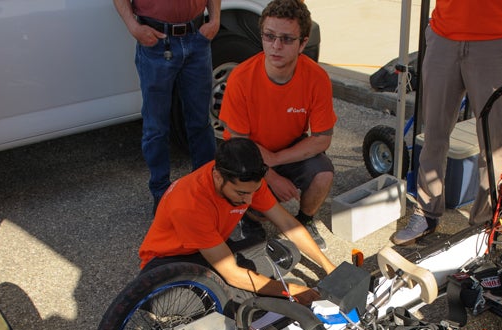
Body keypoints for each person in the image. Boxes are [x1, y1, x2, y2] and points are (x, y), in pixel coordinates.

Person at [393, 0, 502, 245]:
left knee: (493, 143)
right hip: (445, 35)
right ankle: (426, 212)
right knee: (434, 133)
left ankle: (484, 225)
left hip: (496, 39)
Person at [139, 138, 335, 303]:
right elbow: (232, 273)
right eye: (241, 193)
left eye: (253, 192)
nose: (249, 200)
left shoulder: (245, 181)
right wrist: (291, 290)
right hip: (168, 261)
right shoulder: (189, 204)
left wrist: (329, 267)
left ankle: (240, 290)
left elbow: (288, 224)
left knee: (289, 254)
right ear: (217, 177)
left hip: (211, 248)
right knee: (217, 295)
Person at [219, 0, 336, 250]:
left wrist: (276, 159)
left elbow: (322, 139)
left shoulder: (317, 78)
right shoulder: (241, 78)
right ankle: (250, 221)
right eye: (269, 36)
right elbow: (240, 141)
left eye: (286, 39)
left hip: (285, 150)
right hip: (249, 151)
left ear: (303, 43)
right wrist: (270, 177)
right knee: (260, 206)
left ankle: (305, 221)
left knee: (323, 174)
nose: (276, 46)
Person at [114, 0, 221, 213]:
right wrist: (133, 27)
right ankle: (161, 194)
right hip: (156, 41)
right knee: (156, 127)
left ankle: (207, 190)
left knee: (200, 123)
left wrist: (216, 19)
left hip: (197, 38)